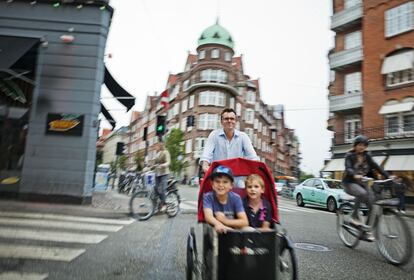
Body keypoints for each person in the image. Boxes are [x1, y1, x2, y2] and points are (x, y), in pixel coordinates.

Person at [342, 135, 390, 241]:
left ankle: (365, 232)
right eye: (359, 145)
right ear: (355, 145)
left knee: (373, 207)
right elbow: (348, 167)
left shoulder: (367, 156)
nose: (361, 147)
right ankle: (354, 217)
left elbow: (376, 166)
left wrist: (388, 176)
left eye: (364, 145)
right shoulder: (349, 155)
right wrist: (354, 174)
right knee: (362, 193)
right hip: (349, 183)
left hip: (363, 183)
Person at [200, 108, 259, 173]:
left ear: (235, 121)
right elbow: (206, 154)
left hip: (237, 176)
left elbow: (252, 156)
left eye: (232, 118)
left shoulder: (243, 137)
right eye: (226, 119)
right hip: (219, 175)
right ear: (221, 121)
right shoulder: (214, 135)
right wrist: (205, 165)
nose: (229, 120)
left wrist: (254, 168)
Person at [203, 165, 249, 233]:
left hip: (232, 230)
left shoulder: (236, 198)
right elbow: (208, 217)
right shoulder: (208, 197)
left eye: (225, 182)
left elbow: (244, 222)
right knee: (216, 230)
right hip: (216, 228)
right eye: (217, 181)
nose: (221, 185)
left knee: (249, 230)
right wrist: (218, 224)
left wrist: (225, 221)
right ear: (212, 184)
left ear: (231, 185)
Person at [154, 137, 171, 211]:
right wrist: (149, 168)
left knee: (163, 189)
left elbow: (168, 162)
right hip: (157, 173)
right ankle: (158, 203)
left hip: (164, 173)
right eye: (157, 143)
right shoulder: (157, 153)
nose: (158, 144)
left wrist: (163, 165)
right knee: (155, 188)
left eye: (159, 143)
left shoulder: (165, 152)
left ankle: (164, 204)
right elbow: (156, 163)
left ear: (162, 144)